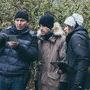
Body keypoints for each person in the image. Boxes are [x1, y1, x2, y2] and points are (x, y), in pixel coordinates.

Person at [0, 10, 38, 90]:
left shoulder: (32, 36)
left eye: (22, 20)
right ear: (14, 21)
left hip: (19, 77)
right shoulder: (6, 31)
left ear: (27, 22)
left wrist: (18, 47)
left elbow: (33, 56)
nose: (19, 23)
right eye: (17, 20)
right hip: (2, 75)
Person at [36, 13, 67, 90]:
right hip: (41, 81)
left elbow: (64, 62)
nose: (41, 28)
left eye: (44, 26)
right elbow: (38, 62)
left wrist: (63, 81)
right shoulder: (40, 40)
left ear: (50, 27)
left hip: (54, 82)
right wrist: (36, 79)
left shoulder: (61, 40)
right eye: (40, 26)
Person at [63, 13, 89, 90]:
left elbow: (83, 60)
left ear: (73, 26)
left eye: (67, 26)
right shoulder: (80, 35)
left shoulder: (76, 37)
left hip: (76, 80)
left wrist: (77, 84)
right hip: (76, 77)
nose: (65, 29)